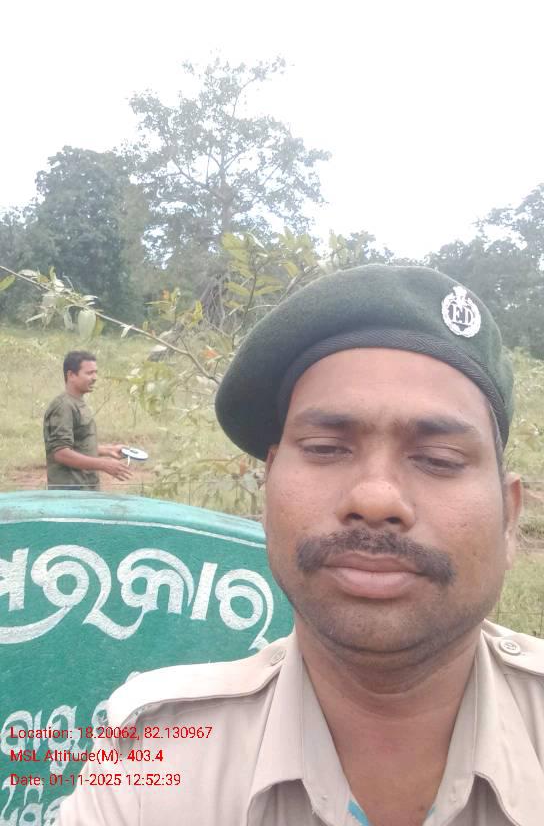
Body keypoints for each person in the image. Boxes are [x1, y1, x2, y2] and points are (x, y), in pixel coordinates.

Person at [58, 266, 544, 825]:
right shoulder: (153, 756)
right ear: (268, 491)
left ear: (508, 517)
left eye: (439, 459)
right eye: (325, 448)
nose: (376, 498)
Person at [43, 350, 132, 489]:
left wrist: (108, 450)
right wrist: (104, 464)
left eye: (95, 372)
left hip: (85, 490)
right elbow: (61, 453)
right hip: (70, 493)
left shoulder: (77, 402)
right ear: (71, 375)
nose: (95, 377)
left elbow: (77, 445)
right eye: (89, 373)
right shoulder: (64, 406)